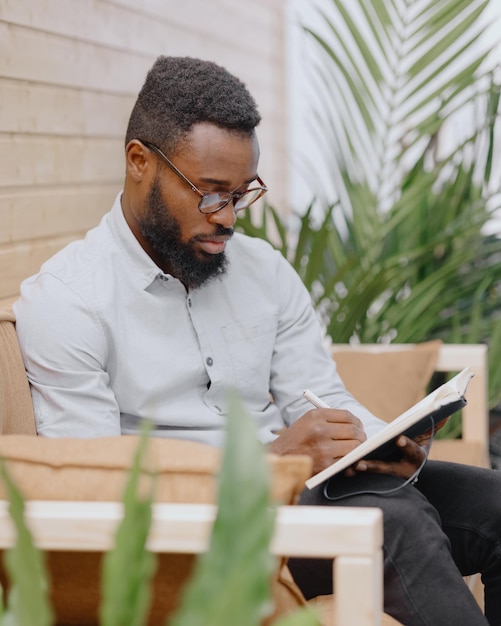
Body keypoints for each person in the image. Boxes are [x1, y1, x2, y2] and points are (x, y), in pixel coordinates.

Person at [13, 56, 501, 626]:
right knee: (397, 523)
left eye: (242, 194)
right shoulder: (68, 300)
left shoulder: (264, 272)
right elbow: (99, 489)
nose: (228, 218)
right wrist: (268, 464)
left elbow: (318, 395)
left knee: (490, 503)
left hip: (298, 496)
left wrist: (387, 442)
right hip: (195, 531)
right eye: (211, 193)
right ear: (139, 161)